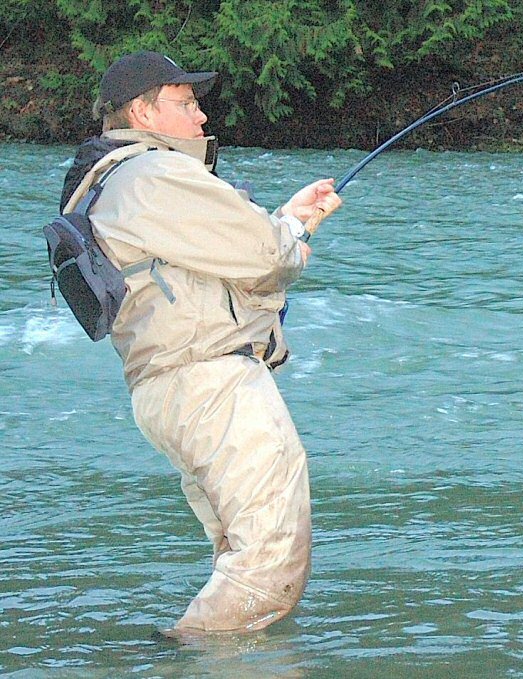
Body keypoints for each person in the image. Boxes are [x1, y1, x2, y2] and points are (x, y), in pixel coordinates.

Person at [59, 51, 341, 635]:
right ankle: (193, 657)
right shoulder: (155, 174)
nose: (202, 117)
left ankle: (217, 658)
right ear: (142, 111)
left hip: (170, 391)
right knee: (267, 562)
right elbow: (266, 258)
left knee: (238, 552)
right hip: (211, 384)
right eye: (185, 104)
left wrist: (289, 221)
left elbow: (213, 259)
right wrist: (288, 239)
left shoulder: (115, 179)